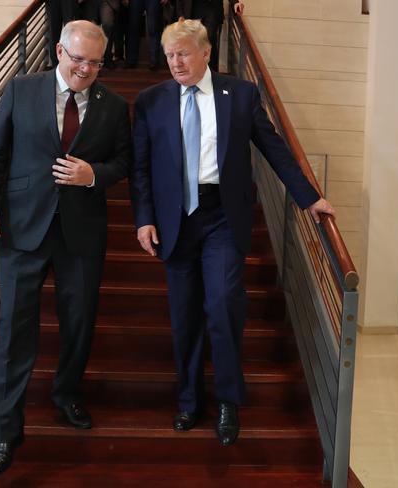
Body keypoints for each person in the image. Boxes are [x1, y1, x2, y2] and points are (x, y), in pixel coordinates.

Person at [130, 19, 334, 446]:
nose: (175, 62)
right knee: (184, 317)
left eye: (183, 53)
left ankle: (227, 401)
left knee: (223, 306)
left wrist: (308, 197)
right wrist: (144, 218)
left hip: (222, 216)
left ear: (206, 53)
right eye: (169, 55)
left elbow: (273, 146)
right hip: (174, 222)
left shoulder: (239, 94)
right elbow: (141, 168)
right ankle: (188, 401)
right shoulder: (151, 101)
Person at [0, 20, 131, 476]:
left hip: (81, 233)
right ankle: (5, 432)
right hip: (21, 227)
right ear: (59, 51)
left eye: (95, 62)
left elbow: (123, 160)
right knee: (14, 332)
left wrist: (94, 175)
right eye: (78, 58)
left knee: (79, 322)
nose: (85, 69)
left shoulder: (115, 105)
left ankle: (66, 394)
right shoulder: (22, 89)